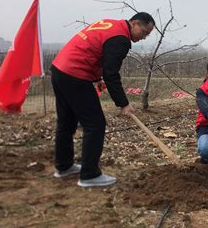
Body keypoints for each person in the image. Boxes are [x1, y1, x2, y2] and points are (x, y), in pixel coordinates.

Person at [51, 12, 155, 187]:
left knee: (66, 122)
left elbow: (94, 51)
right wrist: (123, 103)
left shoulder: (110, 24)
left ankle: (64, 166)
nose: (143, 37)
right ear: (135, 23)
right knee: (95, 124)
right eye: (144, 32)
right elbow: (111, 73)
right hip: (76, 74)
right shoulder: (121, 39)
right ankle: (90, 175)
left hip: (60, 69)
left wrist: (95, 77)